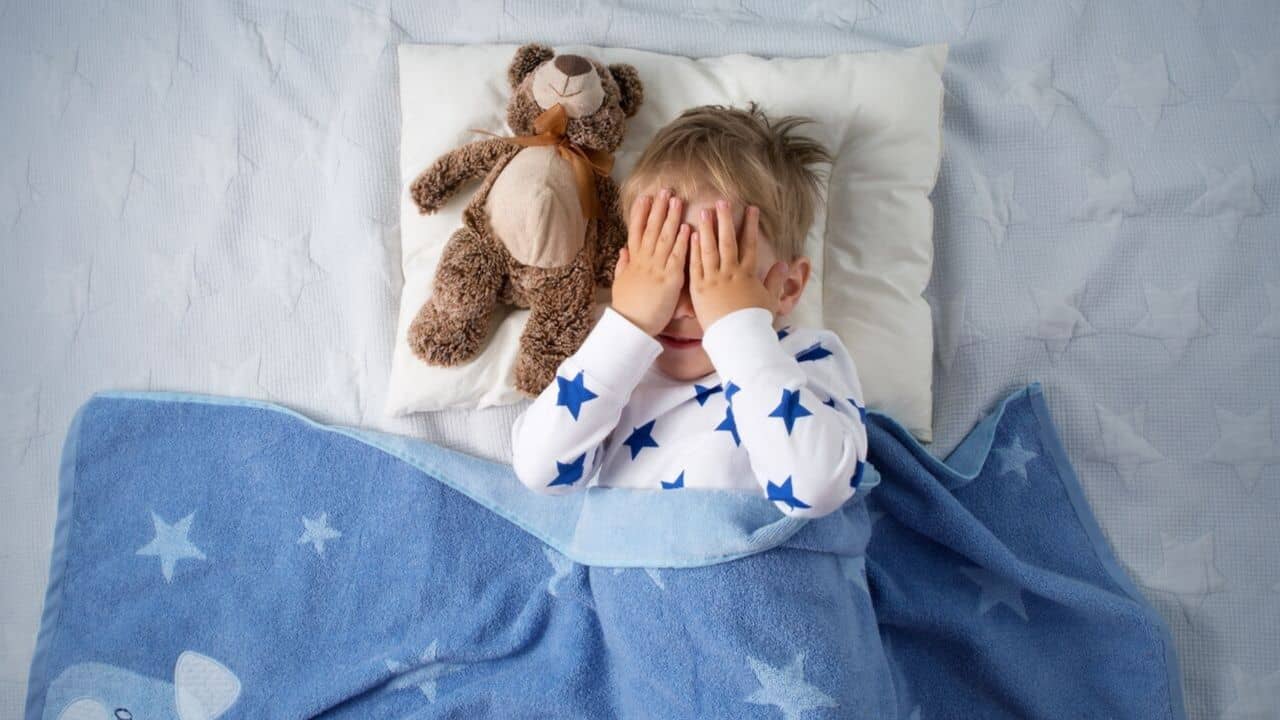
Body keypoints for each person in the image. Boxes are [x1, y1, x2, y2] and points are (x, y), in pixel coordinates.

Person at [511, 104, 868, 519]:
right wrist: (629, 326)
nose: (680, 307)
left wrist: (738, 331)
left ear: (787, 288)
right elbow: (540, 470)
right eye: (662, 273)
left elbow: (815, 488)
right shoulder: (618, 372)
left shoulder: (804, 360)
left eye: (716, 275)